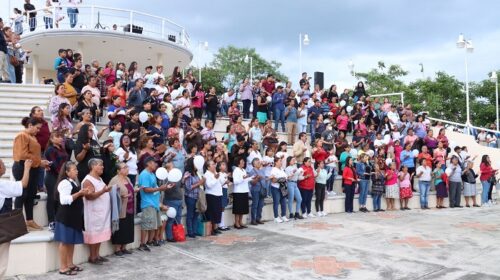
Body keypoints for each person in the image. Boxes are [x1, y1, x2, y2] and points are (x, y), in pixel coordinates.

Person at [13, 117, 50, 231]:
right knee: (22, 194)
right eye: (37, 128)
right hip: (22, 167)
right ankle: (17, 222)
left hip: (33, 167)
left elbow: (33, 155)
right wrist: (39, 162)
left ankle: (29, 220)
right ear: (30, 125)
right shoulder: (22, 136)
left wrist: (40, 162)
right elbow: (22, 155)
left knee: (30, 195)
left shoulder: (32, 137)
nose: (38, 130)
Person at [54, 161, 87, 276]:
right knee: (64, 242)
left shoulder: (73, 182)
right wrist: (79, 194)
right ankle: (63, 267)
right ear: (67, 172)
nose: (77, 171)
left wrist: (83, 193)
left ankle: (70, 264)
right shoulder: (64, 183)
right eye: (74, 169)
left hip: (74, 217)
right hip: (66, 217)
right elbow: (64, 200)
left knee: (71, 241)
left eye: (76, 169)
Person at [0, 159, 32, 279]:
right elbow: (23, 184)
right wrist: (27, 167)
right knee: (1, 259)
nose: (4, 167)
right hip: (2, 229)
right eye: (2, 164)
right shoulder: (2, 185)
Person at [82, 158, 112, 264]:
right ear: (93, 166)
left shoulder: (99, 178)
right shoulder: (88, 180)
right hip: (94, 213)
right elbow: (89, 197)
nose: (102, 167)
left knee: (100, 234)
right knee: (94, 234)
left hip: (102, 212)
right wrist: (104, 191)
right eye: (100, 165)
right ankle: (92, 256)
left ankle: (97, 255)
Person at [138, 157, 171, 250]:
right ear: (148, 163)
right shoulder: (144, 174)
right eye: (154, 163)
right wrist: (160, 189)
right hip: (148, 203)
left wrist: (165, 187)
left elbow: (155, 188)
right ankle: (142, 244)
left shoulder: (152, 174)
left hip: (154, 203)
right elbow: (146, 189)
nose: (156, 165)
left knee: (154, 224)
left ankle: (150, 241)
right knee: (146, 224)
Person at [109, 162, 137, 256]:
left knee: (128, 227)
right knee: (120, 228)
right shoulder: (114, 180)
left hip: (130, 207)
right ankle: (117, 249)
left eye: (127, 167)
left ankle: (124, 247)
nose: (127, 169)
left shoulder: (127, 178)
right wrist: (121, 196)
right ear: (118, 171)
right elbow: (111, 193)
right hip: (121, 208)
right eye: (124, 167)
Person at [44, 131, 69, 231]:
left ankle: (59, 220)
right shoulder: (50, 150)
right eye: (57, 137)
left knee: (59, 198)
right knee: (52, 198)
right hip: (53, 177)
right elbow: (54, 165)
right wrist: (63, 174)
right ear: (51, 139)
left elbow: (66, 162)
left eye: (61, 137)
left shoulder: (62, 149)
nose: (60, 138)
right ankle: (51, 221)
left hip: (62, 177)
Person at [184, 157, 204, 237]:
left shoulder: (196, 173)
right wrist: (199, 183)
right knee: (190, 214)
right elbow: (188, 187)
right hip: (190, 197)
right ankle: (190, 232)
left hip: (197, 196)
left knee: (196, 214)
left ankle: (195, 231)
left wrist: (202, 182)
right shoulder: (187, 174)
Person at [204, 160, 224, 235]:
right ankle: (211, 229)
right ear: (208, 167)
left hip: (218, 194)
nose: (214, 165)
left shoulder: (215, 173)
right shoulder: (206, 174)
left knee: (217, 212)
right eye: (212, 164)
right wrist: (215, 178)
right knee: (212, 212)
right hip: (211, 195)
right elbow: (209, 185)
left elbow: (221, 182)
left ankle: (215, 228)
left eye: (214, 164)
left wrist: (220, 176)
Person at [232, 157, 251, 229]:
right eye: (242, 161)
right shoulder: (236, 170)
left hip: (244, 190)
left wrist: (251, 178)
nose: (243, 162)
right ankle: (236, 222)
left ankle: (240, 222)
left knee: (243, 208)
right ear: (238, 163)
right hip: (238, 191)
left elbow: (245, 180)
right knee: (238, 208)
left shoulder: (244, 170)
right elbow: (236, 182)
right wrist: (243, 178)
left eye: (243, 161)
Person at [269, 157, 288, 223]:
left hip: (282, 188)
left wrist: (281, 179)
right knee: (276, 202)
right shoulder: (273, 169)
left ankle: (283, 215)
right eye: (280, 161)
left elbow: (286, 178)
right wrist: (281, 179)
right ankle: (276, 217)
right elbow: (273, 180)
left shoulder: (282, 169)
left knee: (283, 202)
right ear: (276, 162)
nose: (281, 162)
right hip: (276, 188)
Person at [248, 158, 266, 225]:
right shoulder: (252, 171)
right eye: (258, 163)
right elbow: (252, 183)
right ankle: (253, 220)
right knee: (255, 205)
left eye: (259, 162)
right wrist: (257, 178)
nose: (259, 163)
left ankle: (258, 218)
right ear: (254, 164)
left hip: (262, 189)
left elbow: (264, 179)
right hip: (255, 189)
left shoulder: (261, 170)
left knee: (260, 205)